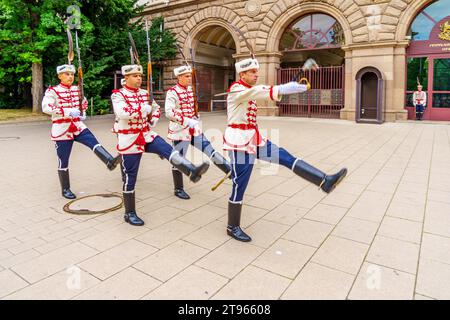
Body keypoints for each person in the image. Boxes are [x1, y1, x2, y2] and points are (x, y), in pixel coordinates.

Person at [223, 57, 348, 242]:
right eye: (252, 72)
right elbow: (261, 91)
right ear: (242, 74)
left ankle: (324, 181)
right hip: (239, 143)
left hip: (254, 138)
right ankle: (232, 226)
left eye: (257, 72)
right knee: (240, 184)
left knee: (286, 158)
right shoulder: (236, 89)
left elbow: (261, 91)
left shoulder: (248, 90)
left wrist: (285, 88)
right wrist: (285, 88)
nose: (256, 75)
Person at [111, 64, 210, 226]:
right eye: (135, 76)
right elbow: (122, 112)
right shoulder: (118, 95)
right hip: (129, 139)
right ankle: (129, 213)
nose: (139, 79)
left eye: (140, 76)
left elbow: (156, 109)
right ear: (126, 78)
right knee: (130, 177)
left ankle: (191, 170)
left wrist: (153, 119)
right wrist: (144, 109)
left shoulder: (145, 93)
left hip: (146, 134)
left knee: (167, 149)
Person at [42, 64, 120, 199]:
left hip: (77, 125)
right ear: (59, 76)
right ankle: (65, 189)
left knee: (93, 141)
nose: (70, 77)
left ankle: (109, 160)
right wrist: (67, 111)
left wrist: (82, 112)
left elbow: (83, 103)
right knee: (63, 160)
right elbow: (46, 107)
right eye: (67, 74)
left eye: (72, 74)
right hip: (62, 128)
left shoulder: (77, 89)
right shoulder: (52, 91)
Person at [165, 65, 231, 200]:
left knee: (209, 149)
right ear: (179, 77)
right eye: (187, 76)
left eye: (190, 76)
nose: (190, 78)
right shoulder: (172, 92)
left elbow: (192, 107)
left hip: (194, 130)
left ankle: (229, 170)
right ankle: (178, 189)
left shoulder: (190, 90)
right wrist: (187, 120)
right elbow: (169, 112)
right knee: (179, 160)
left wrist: (196, 116)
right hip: (180, 131)